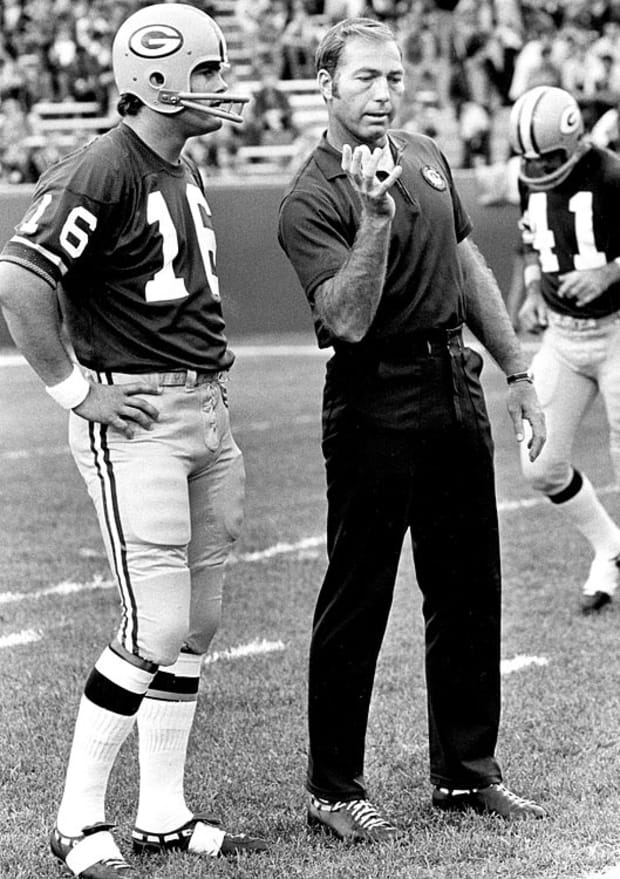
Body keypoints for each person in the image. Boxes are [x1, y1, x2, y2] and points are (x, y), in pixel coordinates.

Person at [0, 5, 268, 877]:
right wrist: (79, 390)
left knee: (198, 622)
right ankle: (77, 820)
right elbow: (19, 280)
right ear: (155, 80)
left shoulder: (176, 165)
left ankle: (161, 811)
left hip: (204, 413)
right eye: (202, 73)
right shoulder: (101, 167)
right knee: (153, 623)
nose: (217, 88)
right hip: (141, 419)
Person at [277, 16, 548, 843]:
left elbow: (466, 266)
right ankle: (333, 787)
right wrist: (374, 216)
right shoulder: (310, 195)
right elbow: (348, 319)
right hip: (374, 393)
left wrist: (519, 369)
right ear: (325, 84)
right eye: (365, 78)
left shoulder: (427, 154)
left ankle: (465, 775)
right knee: (358, 596)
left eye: (393, 77)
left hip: (453, 382)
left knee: (468, 589)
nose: (384, 93)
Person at [510, 84, 620, 615]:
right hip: (562, 336)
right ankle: (609, 547)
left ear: (576, 138)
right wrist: (532, 288)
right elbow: (530, 239)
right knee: (541, 466)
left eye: (550, 155)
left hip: (618, 330)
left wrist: (611, 271)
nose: (540, 167)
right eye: (532, 158)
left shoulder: (612, 175)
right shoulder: (529, 174)